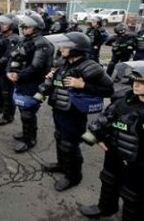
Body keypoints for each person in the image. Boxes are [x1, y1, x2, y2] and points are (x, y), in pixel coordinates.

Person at [42, 32, 114, 191]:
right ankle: (62, 165)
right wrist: (51, 78)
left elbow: (110, 90)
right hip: (59, 109)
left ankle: (73, 177)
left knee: (70, 145)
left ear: (77, 48)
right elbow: (59, 83)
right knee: (59, 138)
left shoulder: (91, 66)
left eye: (66, 46)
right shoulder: (64, 63)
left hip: (74, 113)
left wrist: (83, 86)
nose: (62, 48)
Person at [78, 66, 144, 221]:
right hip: (114, 151)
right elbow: (105, 119)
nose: (136, 84)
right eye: (135, 80)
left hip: (138, 162)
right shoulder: (123, 99)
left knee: (133, 195)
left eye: (142, 82)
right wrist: (99, 138)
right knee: (108, 180)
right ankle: (105, 208)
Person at [6, 12, 54, 152]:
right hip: (22, 79)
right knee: (22, 109)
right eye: (23, 26)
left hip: (34, 82)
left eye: (27, 26)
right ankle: (26, 132)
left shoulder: (42, 44)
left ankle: (30, 139)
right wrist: (10, 71)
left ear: (36, 27)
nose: (23, 28)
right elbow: (13, 57)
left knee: (28, 111)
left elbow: (36, 67)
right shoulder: (24, 40)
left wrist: (18, 76)